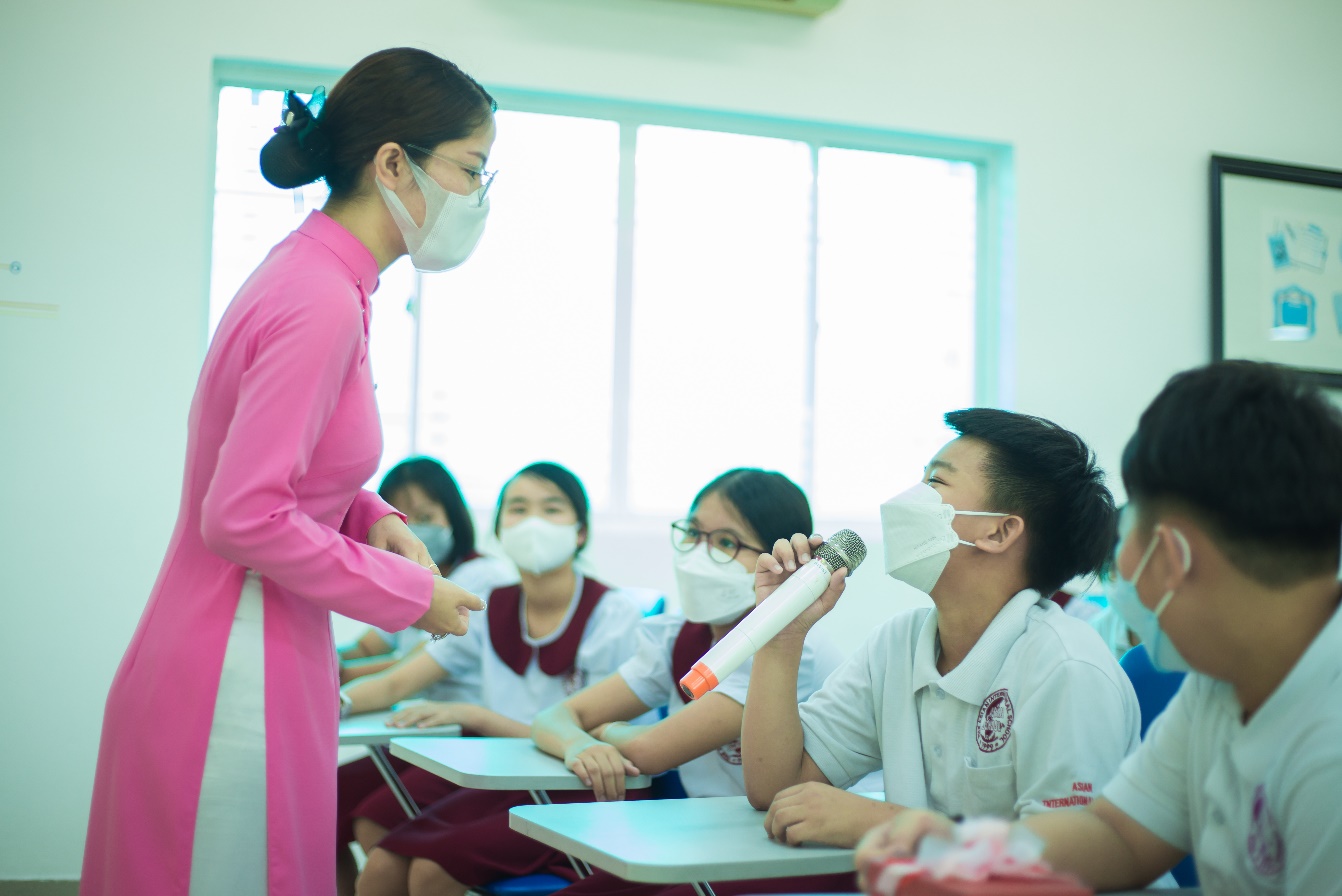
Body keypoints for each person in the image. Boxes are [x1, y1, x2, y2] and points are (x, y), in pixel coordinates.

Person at [80, 47, 497, 896]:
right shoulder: (319, 300)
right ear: (393, 164)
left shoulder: (322, 278)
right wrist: (412, 594)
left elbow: (300, 470)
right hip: (229, 676)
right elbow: (241, 515)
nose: (479, 199)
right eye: (470, 169)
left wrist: (371, 514)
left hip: (248, 648)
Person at [860, 361, 1342, 895]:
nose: (1120, 563)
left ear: (1174, 556)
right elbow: (1119, 834)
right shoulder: (1223, 681)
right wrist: (968, 850)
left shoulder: (1329, 752)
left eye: (1129, 527)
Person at [357, 468, 840, 896]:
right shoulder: (675, 638)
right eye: (693, 534)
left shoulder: (786, 649)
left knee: (429, 868)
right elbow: (556, 718)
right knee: (398, 857)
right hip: (693, 829)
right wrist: (578, 739)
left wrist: (601, 733)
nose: (698, 554)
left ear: (780, 562)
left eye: (726, 543)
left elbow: (649, 750)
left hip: (771, 845)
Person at [733, 408, 1138, 895]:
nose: (910, 498)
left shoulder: (1066, 669)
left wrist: (877, 821)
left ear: (999, 531)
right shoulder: (898, 644)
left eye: (935, 483)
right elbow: (774, 787)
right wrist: (781, 636)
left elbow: (1067, 869)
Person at [340, 463, 646, 888]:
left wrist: (475, 716)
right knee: (381, 865)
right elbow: (398, 680)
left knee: (431, 872)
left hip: (573, 785)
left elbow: (595, 740)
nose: (533, 522)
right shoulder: (488, 606)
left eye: (552, 509)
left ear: (580, 531)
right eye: (518, 509)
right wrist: (338, 702)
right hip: (502, 772)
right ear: (500, 530)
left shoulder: (613, 614)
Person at [341, 456, 514, 691]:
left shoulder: (484, 577)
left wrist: (339, 673)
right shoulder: (406, 582)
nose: (411, 532)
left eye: (425, 518)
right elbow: (367, 648)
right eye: (399, 520)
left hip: (459, 720)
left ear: (453, 516)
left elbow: (411, 666)